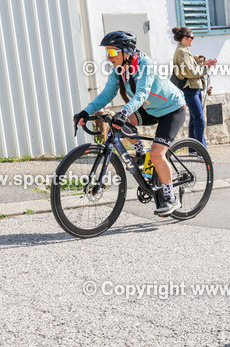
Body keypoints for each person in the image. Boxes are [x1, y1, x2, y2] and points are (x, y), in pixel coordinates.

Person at [73, 31, 187, 216]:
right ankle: (142, 154)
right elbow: (107, 94)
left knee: (158, 154)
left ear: (126, 52)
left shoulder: (145, 65)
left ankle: (170, 197)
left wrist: (124, 111)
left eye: (112, 52)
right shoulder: (119, 70)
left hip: (172, 109)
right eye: (107, 53)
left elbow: (142, 93)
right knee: (120, 126)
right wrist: (86, 111)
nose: (109, 58)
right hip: (149, 108)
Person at [172, 26, 217, 146]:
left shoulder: (184, 50)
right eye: (192, 37)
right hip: (190, 89)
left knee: (194, 119)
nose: (193, 40)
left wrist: (205, 64)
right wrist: (206, 67)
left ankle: (193, 149)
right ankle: (201, 150)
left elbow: (191, 68)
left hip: (194, 88)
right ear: (185, 38)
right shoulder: (181, 51)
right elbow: (190, 72)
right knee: (199, 119)